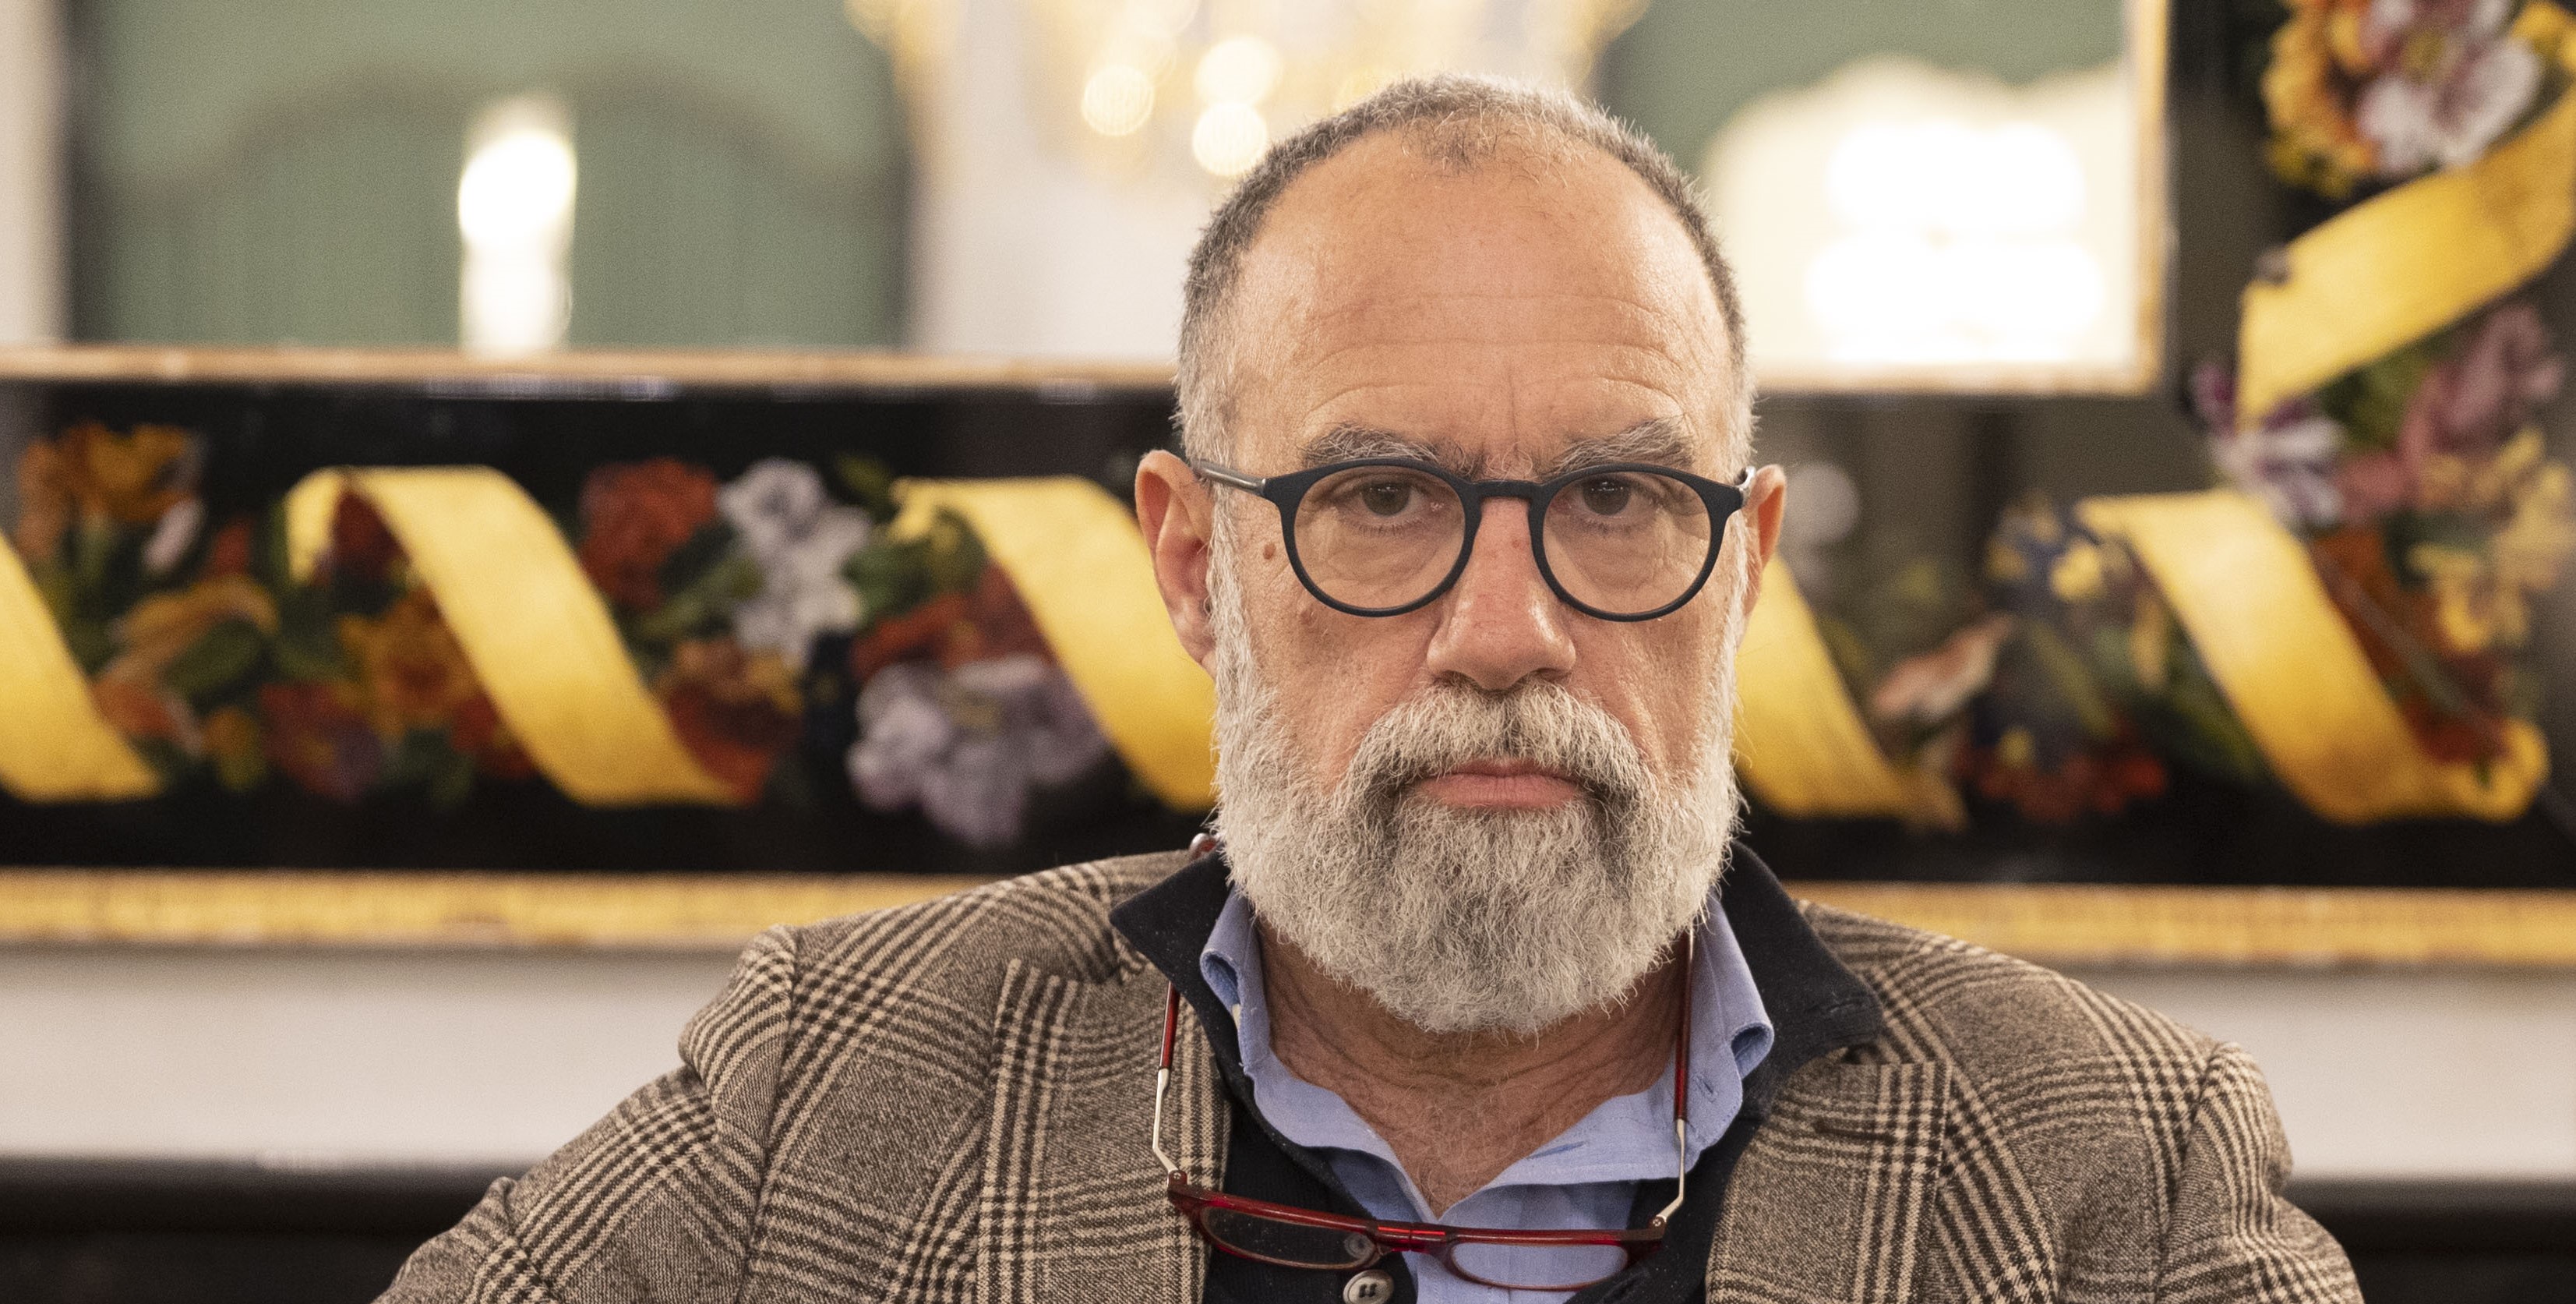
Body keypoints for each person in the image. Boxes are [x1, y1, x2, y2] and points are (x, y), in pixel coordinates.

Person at [381, 76, 2360, 1304]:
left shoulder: (2112, 1173)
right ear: (1194, 563)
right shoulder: (835, 1085)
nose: (1505, 630)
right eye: (1383, 499)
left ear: (1743, 565)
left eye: (1613, 501)